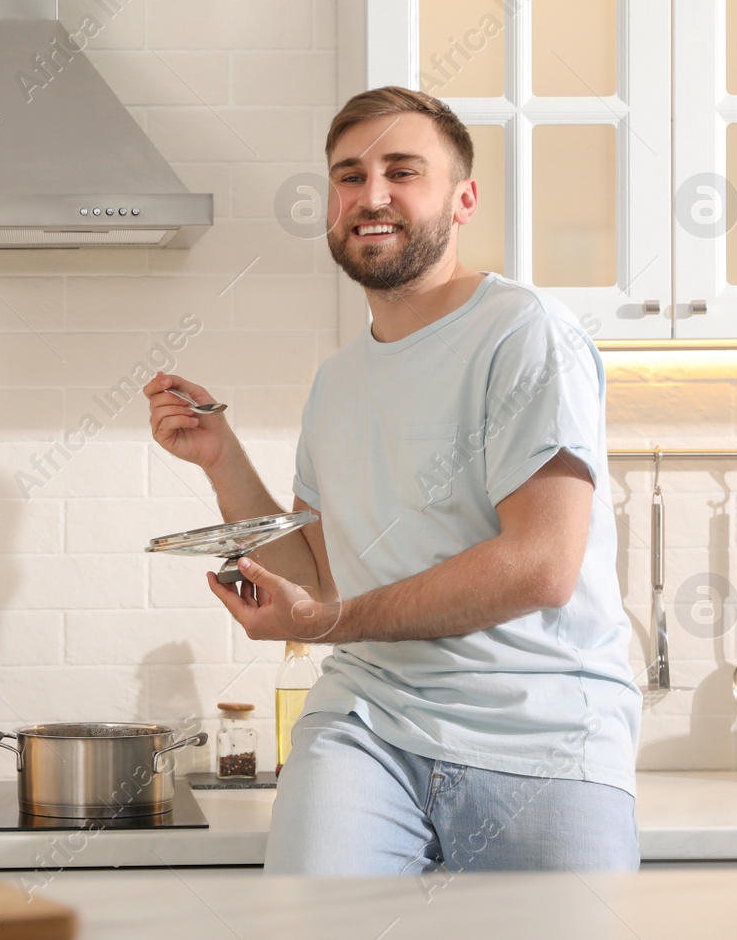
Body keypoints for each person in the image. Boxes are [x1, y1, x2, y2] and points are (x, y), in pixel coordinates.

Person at [145, 86, 640, 875]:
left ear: (463, 197)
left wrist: (327, 621)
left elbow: (543, 564)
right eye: (349, 175)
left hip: (543, 733)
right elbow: (321, 575)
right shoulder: (337, 382)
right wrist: (222, 457)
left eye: (401, 171)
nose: (370, 195)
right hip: (367, 726)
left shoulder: (526, 333)